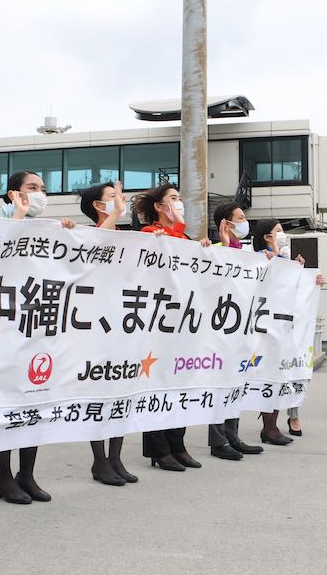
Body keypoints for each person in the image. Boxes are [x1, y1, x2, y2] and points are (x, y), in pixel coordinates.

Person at [0, 171, 75, 503]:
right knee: (6, 404)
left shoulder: (45, 229)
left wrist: (68, 234)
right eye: (32, 188)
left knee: (34, 400)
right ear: (13, 193)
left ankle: (27, 474)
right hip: (6, 328)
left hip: (38, 325)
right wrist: (19, 216)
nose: (40, 193)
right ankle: (3, 477)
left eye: (42, 189)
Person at [133, 184, 207, 471]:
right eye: (173, 199)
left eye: (179, 198)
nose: (179, 203)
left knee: (181, 385)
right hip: (157, 323)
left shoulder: (186, 238)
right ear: (159, 207)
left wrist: (205, 252)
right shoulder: (149, 235)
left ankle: (178, 444)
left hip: (183, 323)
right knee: (158, 386)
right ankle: (159, 450)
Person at [78, 182, 139, 485]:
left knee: (120, 394)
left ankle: (116, 458)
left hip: (124, 325)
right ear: (98, 207)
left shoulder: (127, 238)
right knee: (99, 396)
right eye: (113, 198)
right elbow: (100, 245)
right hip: (97, 328)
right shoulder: (87, 234)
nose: (120, 202)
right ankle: (99, 460)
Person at [252, 219, 325, 437]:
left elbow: (294, 290)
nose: (283, 234)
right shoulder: (258, 258)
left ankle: (277, 422)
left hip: (283, 327)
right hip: (266, 327)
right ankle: (269, 426)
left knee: (284, 372)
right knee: (269, 373)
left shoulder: (285, 261)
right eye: (278, 231)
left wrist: (312, 280)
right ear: (267, 237)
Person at [206, 202, 263, 460]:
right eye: (240, 218)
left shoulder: (244, 251)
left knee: (235, 383)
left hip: (239, 328)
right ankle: (219, 442)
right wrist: (225, 244)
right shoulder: (217, 249)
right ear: (226, 223)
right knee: (220, 385)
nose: (245, 221)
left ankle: (233, 435)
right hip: (220, 329)